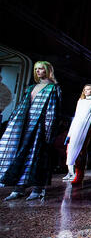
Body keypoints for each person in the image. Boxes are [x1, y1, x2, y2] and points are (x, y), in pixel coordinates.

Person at [0, 61, 61, 200]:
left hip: (40, 125)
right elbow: (22, 105)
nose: (38, 71)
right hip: (24, 123)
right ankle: (19, 188)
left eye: (41, 69)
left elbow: (52, 111)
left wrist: (48, 130)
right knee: (20, 154)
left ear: (47, 70)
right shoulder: (32, 87)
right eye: (36, 69)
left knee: (37, 156)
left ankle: (38, 188)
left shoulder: (53, 88)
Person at [63, 84, 91, 184]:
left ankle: (79, 174)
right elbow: (76, 115)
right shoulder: (80, 101)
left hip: (87, 125)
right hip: (76, 125)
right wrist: (70, 132)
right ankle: (72, 172)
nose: (86, 91)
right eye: (85, 89)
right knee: (71, 149)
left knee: (82, 150)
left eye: (88, 90)